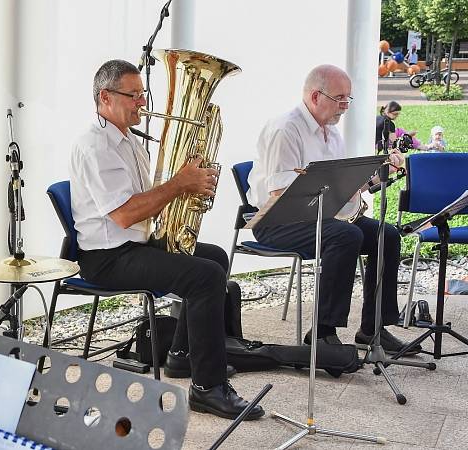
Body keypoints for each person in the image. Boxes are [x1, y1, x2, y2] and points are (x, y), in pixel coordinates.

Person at [69, 59, 263, 420]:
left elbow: (151, 198)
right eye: (134, 95)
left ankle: (182, 356)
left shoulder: (127, 140)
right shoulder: (96, 147)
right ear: (105, 97)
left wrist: (191, 182)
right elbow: (125, 214)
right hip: (108, 258)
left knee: (216, 258)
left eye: (142, 93)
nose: (143, 102)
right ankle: (208, 388)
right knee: (205, 277)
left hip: (135, 244)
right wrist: (180, 184)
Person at [247, 64, 421, 355]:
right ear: (316, 96)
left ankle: (373, 328)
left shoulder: (331, 132)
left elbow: (338, 189)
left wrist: (376, 176)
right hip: (276, 220)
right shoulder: (285, 129)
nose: (345, 106)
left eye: (348, 98)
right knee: (346, 235)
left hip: (321, 216)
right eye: (340, 98)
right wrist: (338, 192)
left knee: (386, 234)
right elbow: (282, 193)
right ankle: (323, 332)